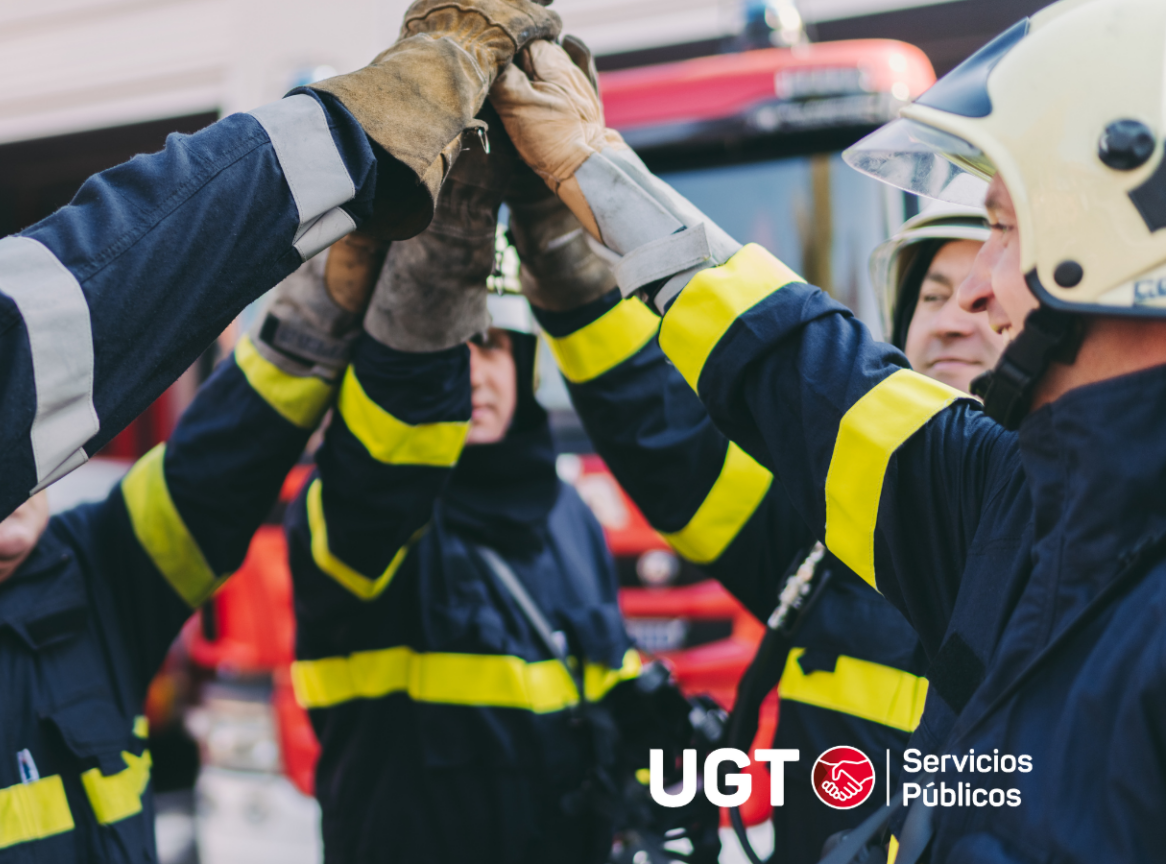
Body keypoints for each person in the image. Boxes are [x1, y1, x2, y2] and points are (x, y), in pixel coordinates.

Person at [0, 4, 562, 861]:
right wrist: (358, 128)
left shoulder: (82, 580)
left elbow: (225, 461)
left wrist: (314, 316)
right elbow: (74, 294)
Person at [493, 2, 1166, 858]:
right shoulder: (1026, 506)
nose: (973, 296)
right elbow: (799, 370)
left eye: (1000, 230)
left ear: (1117, 249)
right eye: (933, 289)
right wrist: (590, 183)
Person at [510, 160, 996, 861]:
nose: (951, 320)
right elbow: (671, 441)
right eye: (935, 295)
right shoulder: (828, 532)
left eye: (979, 301)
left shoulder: (1085, 548)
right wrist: (565, 261)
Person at [0, 239, 381, 861]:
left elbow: (229, 453)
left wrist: (323, 304)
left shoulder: (95, 562)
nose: (4, 452)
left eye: (19, 418)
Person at [283, 132, 642, 864]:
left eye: (492, 346)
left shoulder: (570, 516)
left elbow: (606, 688)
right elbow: (372, 484)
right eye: (453, 350)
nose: (475, 373)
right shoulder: (360, 514)